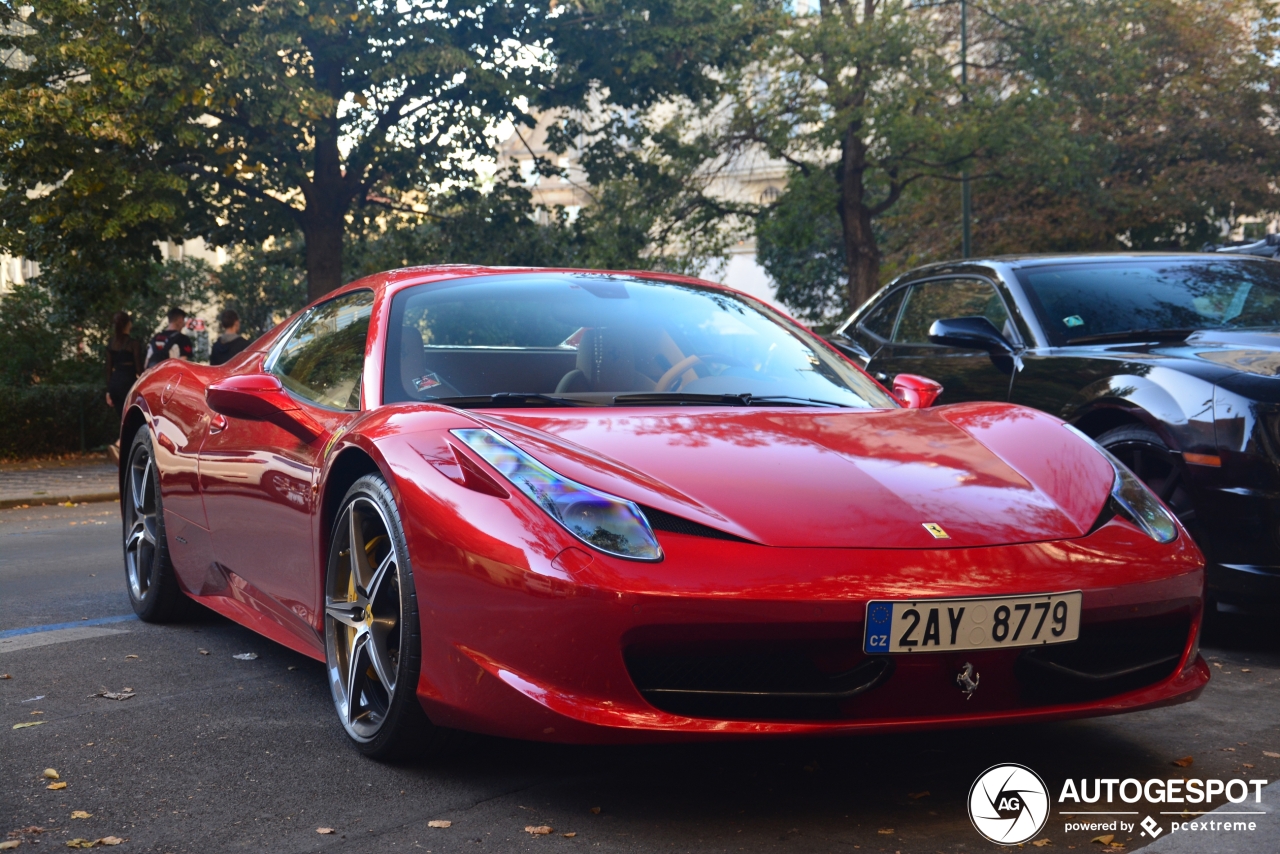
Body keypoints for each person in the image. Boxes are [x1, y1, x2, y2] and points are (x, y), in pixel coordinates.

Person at [105, 311, 145, 463]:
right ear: (128, 324)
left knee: (123, 418)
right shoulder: (133, 344)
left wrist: (108, 391)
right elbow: (139, 369)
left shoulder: (111, 343)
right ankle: (119, 445)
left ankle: (123, 451)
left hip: (115, 384)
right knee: (131, 419)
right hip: (127, 384)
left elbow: (108, 369)